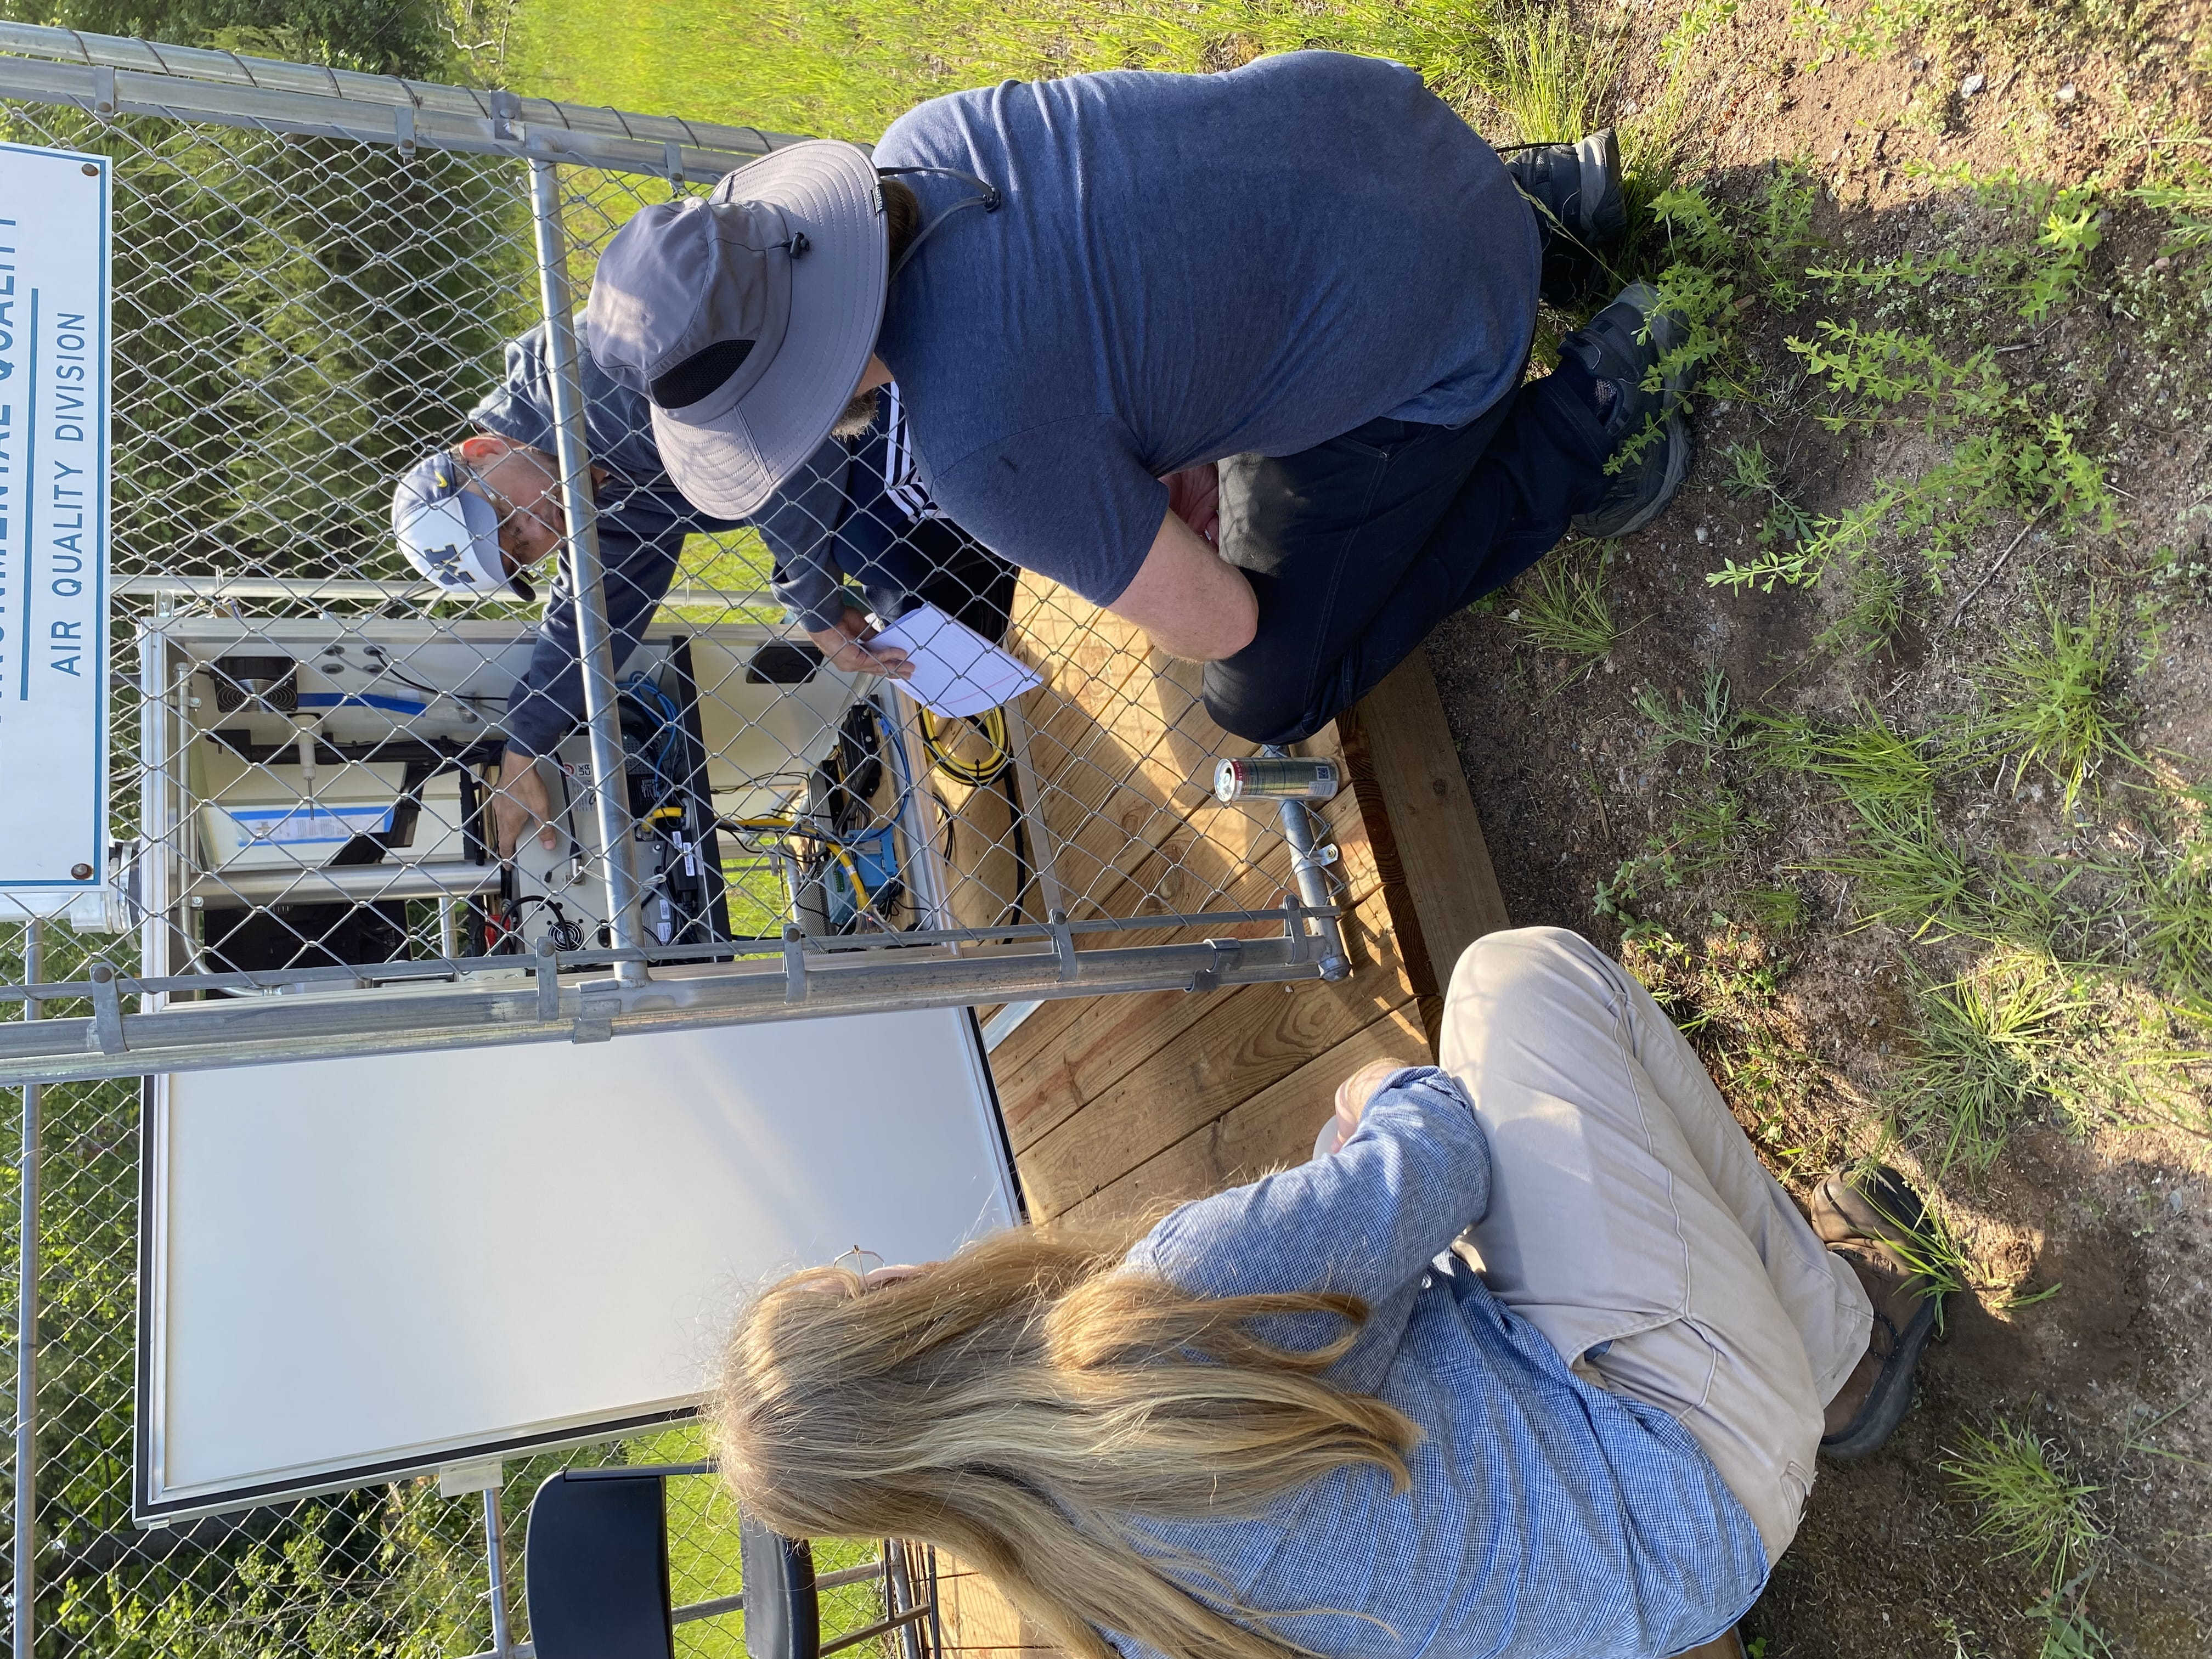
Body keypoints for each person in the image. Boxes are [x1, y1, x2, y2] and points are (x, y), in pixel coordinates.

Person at [715, 927, 1945, 1659]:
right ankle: (1839, 1353)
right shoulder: (1152, 1315)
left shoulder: (1100, 1608)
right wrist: (1364, 1104)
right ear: (907, 1307)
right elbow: (1446, 1146)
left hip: (1644, 1601)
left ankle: (1815, 1342)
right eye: (868, 1278)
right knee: (1517, 986)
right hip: (1684, 1465)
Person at [582, 53, 1684, 746]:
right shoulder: (923, 142)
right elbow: (1131, 271)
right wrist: (1166, 445)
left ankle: (1588, 416)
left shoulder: (976, 452)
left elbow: (1222, 619)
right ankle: (1554, 204)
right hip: (1396, 128)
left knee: (1259, 695)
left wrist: (1141, 523)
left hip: (1441, 323)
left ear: (797, 391)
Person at [389, 321, 1016, 855]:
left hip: (862, 369)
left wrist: (813, 602)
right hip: (843, 448)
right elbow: (587, 622)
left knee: (890, 561)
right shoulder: (591, 498)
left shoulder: (587, 386)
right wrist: (526, 745)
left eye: (504, 515)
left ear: (481, 448)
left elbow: (785, 440)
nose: (533, 529)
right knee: (948, 619)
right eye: (519, 550)